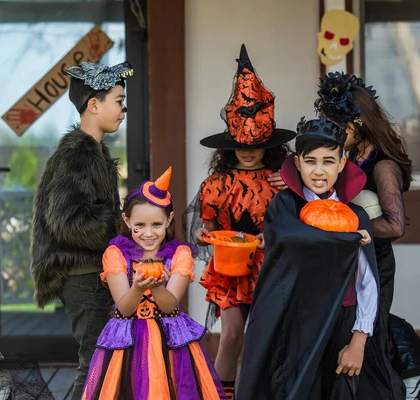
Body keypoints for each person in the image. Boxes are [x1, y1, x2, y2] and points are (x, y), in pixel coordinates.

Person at [237, 117, 380, 399]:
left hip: (341, 322)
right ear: (297, 163)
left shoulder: (355, 217)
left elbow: (367, 282)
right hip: (293, 324)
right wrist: (349, 239)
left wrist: (359, 341)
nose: (318, 171)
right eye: (310, 161)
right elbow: (292, 238)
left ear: (341, 164)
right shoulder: (283, 209)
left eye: (328, 161)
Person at [188, 44, 295, 400]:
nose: (248, 152)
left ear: (269, 145)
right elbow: (205, 228)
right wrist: (204, 236)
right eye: (240, 145)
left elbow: (302, 218)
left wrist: (294, 183)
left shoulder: (282, 180)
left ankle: (256, 393)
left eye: (256, 144)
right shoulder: (216, 185)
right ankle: (220, 394)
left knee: (265, 337)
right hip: (230, 269)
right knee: (232, 333)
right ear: (228, 145)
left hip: (269, 266)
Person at [30, 61, 133, 399]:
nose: (123, 110)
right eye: (118, 101)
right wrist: (119, 229)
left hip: (92, 272)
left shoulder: (93, 152)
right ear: (94, 104)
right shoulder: (78, 154)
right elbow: (69, 221)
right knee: (94, 360)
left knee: (102, 357)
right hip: (82, 274)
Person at [81, 168, 227, 400]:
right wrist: (137, 287)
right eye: (140, 225)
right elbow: (124, 308)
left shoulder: (180, 254)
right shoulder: (116, 255)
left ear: (169, 220)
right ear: (127, 221)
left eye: (157, 225)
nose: (148, 234)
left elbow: (169, 306)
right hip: (127, 340)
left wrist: (157, 285)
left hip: (171, 340)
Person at [315, 72, 416, 398]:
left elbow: (395, 225)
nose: (333, 133)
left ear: (359, 123)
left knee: (368, 341)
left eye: (339, 126)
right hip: (346, 261)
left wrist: (344, 230)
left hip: (374, 263)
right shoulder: (346, 157)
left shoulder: (383, 166)